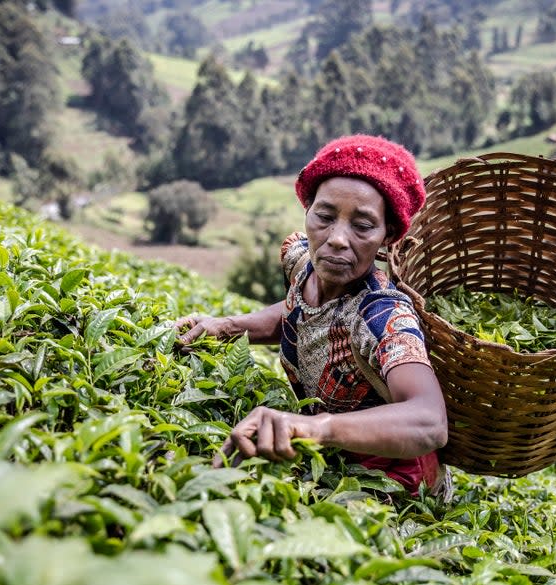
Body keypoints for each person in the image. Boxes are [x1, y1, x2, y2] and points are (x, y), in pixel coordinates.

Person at [176, 134, 449, 496]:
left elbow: (430, 421)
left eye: (363, 225)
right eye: (324, 216)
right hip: (325, 456)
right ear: (308, 212)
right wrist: (226, 326)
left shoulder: (382, 314)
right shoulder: (305, 263)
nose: (336, 238)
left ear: (387, 238)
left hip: (388, 482)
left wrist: (317, 428)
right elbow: (298, 312)